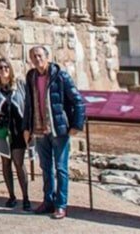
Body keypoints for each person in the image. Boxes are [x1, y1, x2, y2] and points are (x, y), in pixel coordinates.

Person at [23, 46, 86, 220]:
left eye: (40, 55)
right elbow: (29, 104)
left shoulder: (60, 76)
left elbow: (78, 101)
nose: (37, 59)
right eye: (34, 57)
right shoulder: (31, 77)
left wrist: (76, 125)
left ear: (47, 57)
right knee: (45, 168)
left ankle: (61, 205)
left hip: (58, 129)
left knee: (60, 168)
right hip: (39, 129)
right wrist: (26, 128)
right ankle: (48, 201)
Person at [0, 56, 30, 211]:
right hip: (2, 129)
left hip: (18, 129)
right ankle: (11, 196)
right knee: (5, 162)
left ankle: (26, 197)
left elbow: (28, 104)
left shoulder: (19, 84)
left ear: (10, 69)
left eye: (6, 67)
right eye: (0, 67)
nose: (3, 70)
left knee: (18, 162)